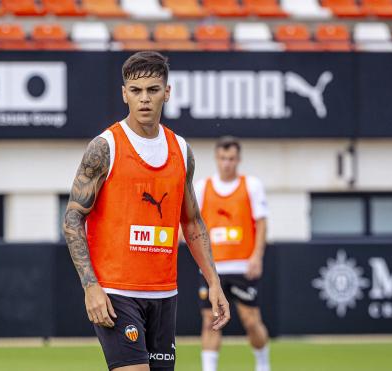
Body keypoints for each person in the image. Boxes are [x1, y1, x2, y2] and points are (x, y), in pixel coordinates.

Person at [63, 51, 230, 371]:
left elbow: (192, 222)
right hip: (115, 292)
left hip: (165, 293)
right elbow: (73, 218)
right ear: (124, 93)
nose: (144, 99)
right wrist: (91, 286)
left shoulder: (181, 150)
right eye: (136, 91)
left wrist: (214, 282)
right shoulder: (105, 146)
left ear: (167, 92)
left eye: (153, 90)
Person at [195, 136, 270, 371]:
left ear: (238, 160)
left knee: (251, 320)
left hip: (242, 267)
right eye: (223, 158)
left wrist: (257, 256)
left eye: (232, 158)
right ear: (217, 159)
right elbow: (193, 225)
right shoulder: (202, 187)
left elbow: (261, 223)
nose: (227, 163)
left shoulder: (251, 185)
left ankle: (262, 363)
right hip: (212, 269)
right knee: (210, 321)